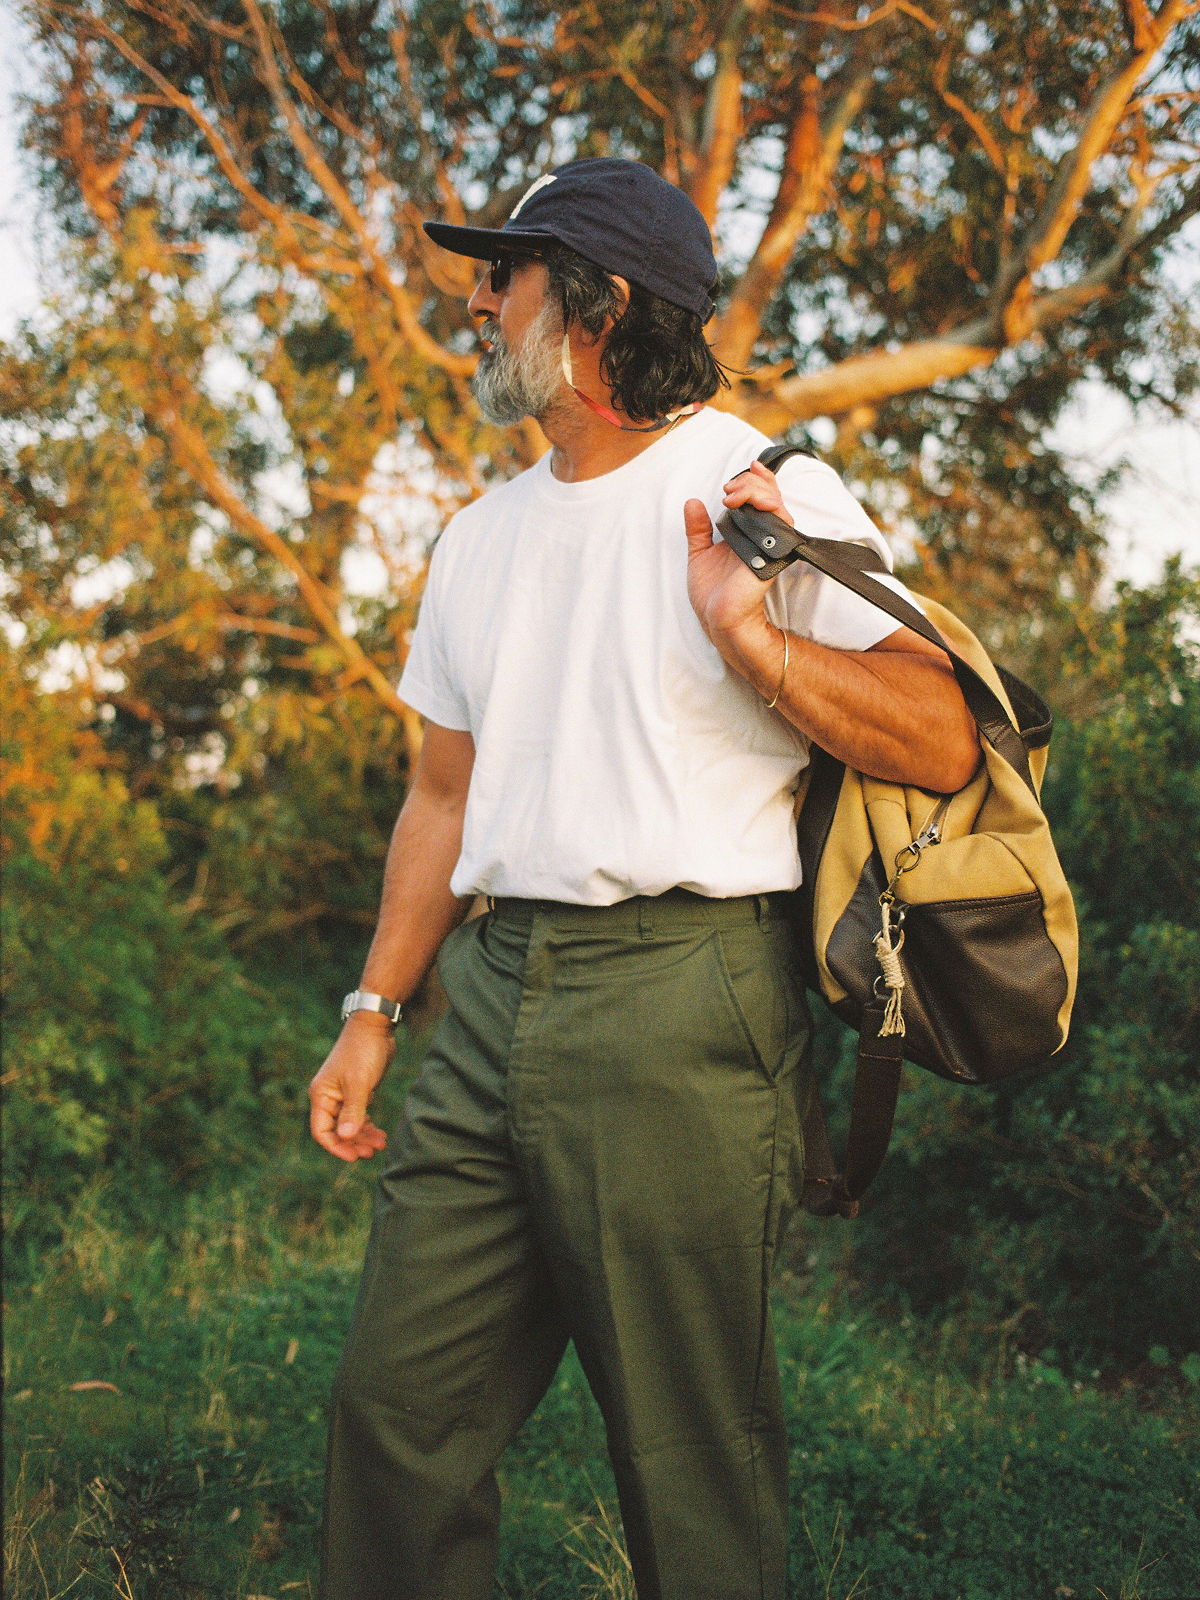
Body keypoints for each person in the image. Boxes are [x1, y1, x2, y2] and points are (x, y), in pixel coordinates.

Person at [312, 156, 979, 1600]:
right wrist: (374, 1006)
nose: (479, 302)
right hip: (489, 999)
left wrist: (753, 637)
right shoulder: (476, 540)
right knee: (396, 1413)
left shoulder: (758, 485)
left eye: (505, 273)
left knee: (688, 1449)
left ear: (597, 302)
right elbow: (442, 796)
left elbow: (940, 731)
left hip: (682, 993)